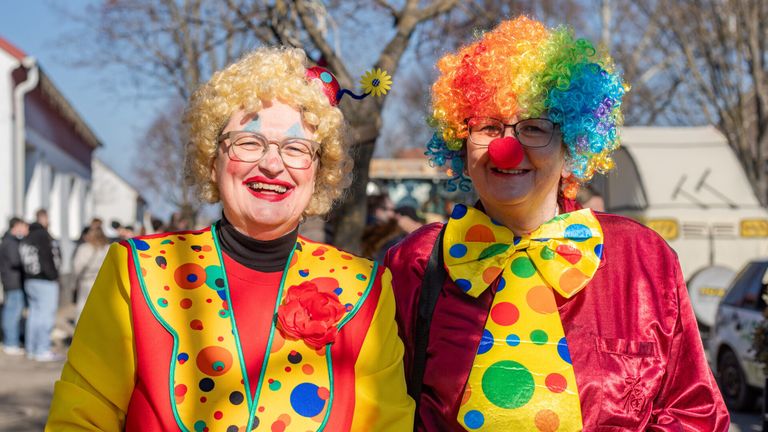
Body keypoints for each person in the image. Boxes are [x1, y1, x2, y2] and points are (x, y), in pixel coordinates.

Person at [385, 16, 729, 431]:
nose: (506, 148)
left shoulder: (641, 259)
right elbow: (381, 406)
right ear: (461, 143)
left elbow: (694, 410)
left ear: (571, 146)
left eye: (534, 127)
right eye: (488, 126)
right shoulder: (416, 262)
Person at [47, 47, 413, 431]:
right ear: (212, 159)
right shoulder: (138, 271)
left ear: (319, 172)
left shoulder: (365, 289)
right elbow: (80, 419)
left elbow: (387, 423)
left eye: (296, 148)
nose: (273, 164)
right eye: (249, 143)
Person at [19, 209, 62, 362]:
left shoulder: (27, 237)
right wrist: (53, 276)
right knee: (46, 315)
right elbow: (47, 258)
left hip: (30, 280)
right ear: (43, 219)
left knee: (34, 314)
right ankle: (42, 349)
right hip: (45, 280)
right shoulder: (43, 236)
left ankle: (31, 349)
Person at [0, 216, 29, 355]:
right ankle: (10, 342)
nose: (25, 230)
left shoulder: (10, 241)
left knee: (13, 312)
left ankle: (11, 341)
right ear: (16, 226)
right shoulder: (10, 242)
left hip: (13, 281)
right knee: (12, 313)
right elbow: (15, 261)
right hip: (13, 282)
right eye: (23, 226)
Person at [72, 226, 110, 320]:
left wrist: (74, 282)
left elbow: (77, 267)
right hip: (102, 282)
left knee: (83, 306)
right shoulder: (107, 248)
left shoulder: (84, 248)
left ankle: (81, 330)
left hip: (86, 281)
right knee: (100, 308)